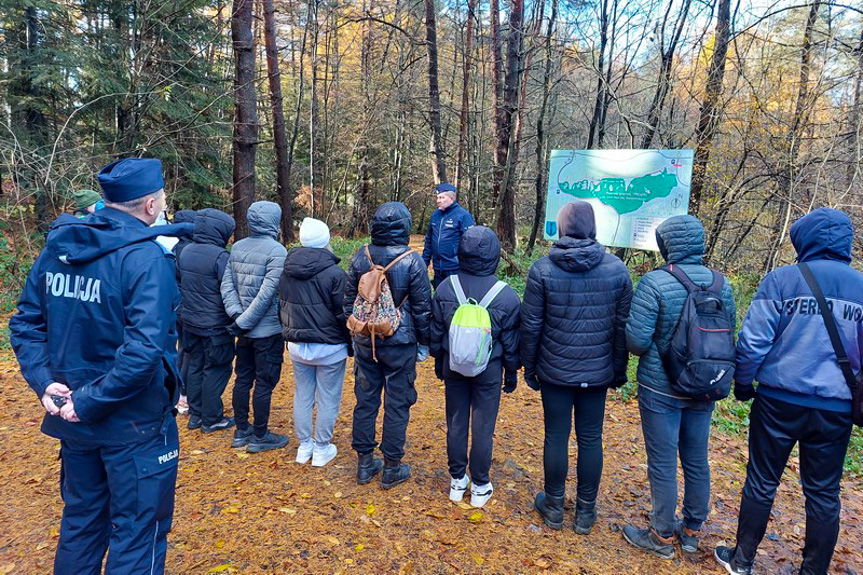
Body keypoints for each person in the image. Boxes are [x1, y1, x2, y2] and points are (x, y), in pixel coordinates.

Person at [9, 157, 192, 574]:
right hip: (132, 425)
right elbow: (144, 350)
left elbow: (25, 323)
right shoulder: (143, 259)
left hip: (80, 416)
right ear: (151, 205)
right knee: (137, 530)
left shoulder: (61, 248)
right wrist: (52, 386)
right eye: (162, 198)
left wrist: (53, 387)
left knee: (83, 522)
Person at [715, 209, 863, 575]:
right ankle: (812, 571)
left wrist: (743, 383)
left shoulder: (781, 280)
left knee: (762, 480)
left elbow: (752, 343)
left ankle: (742, 560)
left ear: (805, 239)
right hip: (836, 407)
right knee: (824, 492)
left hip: (778, 400)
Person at [624, 214, 736, 559]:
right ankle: (691, 531)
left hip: (661, 389)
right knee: (696, 459)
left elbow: (637, 342)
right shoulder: (722, 284)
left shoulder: (655, 282)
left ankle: (660, 536)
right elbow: (728, 334)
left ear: (666, 245)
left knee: (662, 461)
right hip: (705, 386)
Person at [521, 201, 633, 534]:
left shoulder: (542, 269)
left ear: (563, 227)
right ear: (592, 227)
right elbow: (621, 327)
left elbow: (531, 326)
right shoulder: (616, 270)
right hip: (597, 372)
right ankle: (585, 512)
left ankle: (554, 506)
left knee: (556, 436)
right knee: (590, 439)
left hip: (555, 371)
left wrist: (529, 367)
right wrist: (618, 369)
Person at [430, 226, 521, 508]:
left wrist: (438, 360)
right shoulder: (506, 295)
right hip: (489, 370)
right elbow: (511, 341)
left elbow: (435, 331)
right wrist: (511, 371)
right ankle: (480, 483)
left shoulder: (446, 287)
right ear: (494, 255)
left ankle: (457, 480)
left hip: (453, 366)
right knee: (483, 426)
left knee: (456, 423)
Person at [346, 202, 432, 488]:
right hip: (399, 342)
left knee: (365, 400)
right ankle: (392, 466)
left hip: (364, 339)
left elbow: (348, 300)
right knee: (397, 403)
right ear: (405, 226)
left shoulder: (361, 255)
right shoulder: (413, 260)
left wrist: (355, 334)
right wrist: (424, 343)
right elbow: (422, 309)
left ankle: (364, 464)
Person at [279, 217, 351, 467]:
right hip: (330, 347)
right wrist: (349, 341)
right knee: (328, 397)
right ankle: (321, 448)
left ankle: (304, 446)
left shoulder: (287, 270)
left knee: (303, 395)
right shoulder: (335, 273)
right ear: (326, 240)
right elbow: (343, 312)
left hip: (298, 345)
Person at [220, 201, 289, 453]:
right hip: (267, 331)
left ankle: (241, 430)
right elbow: (267, 293)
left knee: (243, 378)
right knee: (264, 381)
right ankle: (260, 435)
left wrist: (238, 318)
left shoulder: (237, 247)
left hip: (243, 330)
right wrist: (245, 319)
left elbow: (227, 286)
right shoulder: (277, 251)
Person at [177, 208, 236, 433]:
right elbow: (228, 288)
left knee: (195, 365)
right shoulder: (221, 257)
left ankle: (196, 414)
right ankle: (211, 418)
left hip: (190, 321)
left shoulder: (186, 251)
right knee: (217, 368)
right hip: (215, 325)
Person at [422, 182, 475, 289]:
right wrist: (424, 263)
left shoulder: (463, 216)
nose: (438, 201)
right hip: (437, 268)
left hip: (455, 268)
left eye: (441, 197)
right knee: (439, 298)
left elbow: (471, 244)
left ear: (451, 198)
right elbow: (429, 241)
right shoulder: (435, 215)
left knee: (454, 299)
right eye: (437, 198)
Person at [172, 209, 197, 414]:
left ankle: (179, 393)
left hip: (177, 308)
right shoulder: (187, 250)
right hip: (187, 308)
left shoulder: (175, 248)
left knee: (182, 349)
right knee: (188, 351)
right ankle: (184, 395)